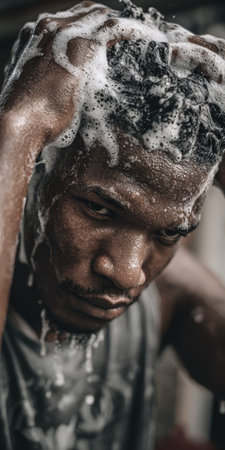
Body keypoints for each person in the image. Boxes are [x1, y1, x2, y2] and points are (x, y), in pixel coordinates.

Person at [0, 1, 225, 449]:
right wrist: (19, 124)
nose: (125, 273)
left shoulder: (173, 296)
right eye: (98, 210)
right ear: (35, 165)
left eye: (168, 233)